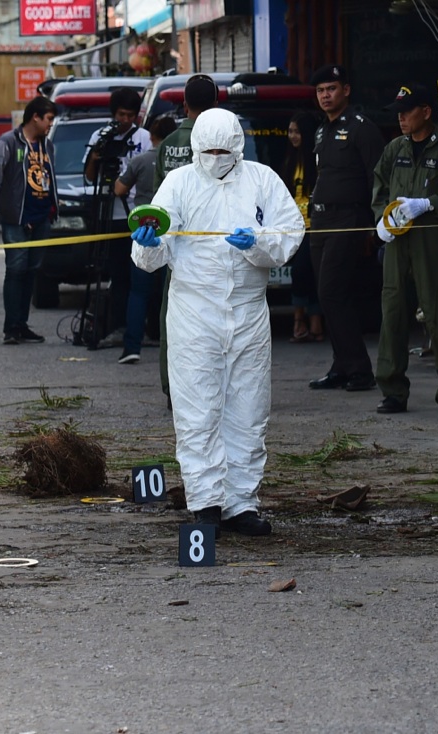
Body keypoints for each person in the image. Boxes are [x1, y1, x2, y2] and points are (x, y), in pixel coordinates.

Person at [130, 108, 305, 536]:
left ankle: (241, 503)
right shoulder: (179, 183)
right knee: (198, 408)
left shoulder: (262, 180)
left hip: (248, 310)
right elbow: (153, 254)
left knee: (248, 408)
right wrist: (148, 244)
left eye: (223, 150)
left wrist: (258, 243)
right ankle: (206, 501)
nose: (215, 157)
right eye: (207, 150)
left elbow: (291, 230)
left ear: (238, 147)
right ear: (194, 149)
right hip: (194, 312)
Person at [371, 83, 438, 415]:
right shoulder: (394, 149)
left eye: (407, 111)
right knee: (393, 312)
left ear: (426, 112)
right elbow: (380, 186)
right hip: (399, 242)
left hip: (434, 240)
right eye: (398, 112)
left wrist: (430, 203)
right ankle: (392, 390)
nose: (401, 118)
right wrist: (381, 220)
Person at [306, 65, 386, 393]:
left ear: (346, 90)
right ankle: (341, 365)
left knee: (332, 292)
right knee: (329, 296)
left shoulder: (361, 128)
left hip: (348, 220)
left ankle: (360, 369)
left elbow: (377, 177)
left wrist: (373, 224)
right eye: (321, 90)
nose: (326, 95)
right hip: (321, 221)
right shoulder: (321, 131)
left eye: (332, 89)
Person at [154, 75, 219, 400]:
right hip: (216, 247)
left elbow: (157, 200)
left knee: (175, 319)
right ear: (218, 105)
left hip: (175, 246)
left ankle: (172, 386)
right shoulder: (223, 143)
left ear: (184, 105)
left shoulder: (167, 144)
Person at [0, 96, 58, 346]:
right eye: (48, 119)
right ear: (35, 117)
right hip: (17, 220)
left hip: (41, 218)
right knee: (15, 271)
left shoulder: (47, 146)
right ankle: (11, 327)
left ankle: (22, 324)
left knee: (31, 272)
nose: (50, 124)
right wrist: (8, 211)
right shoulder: (7, 143)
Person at [82, 89, 152, 343]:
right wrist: (95, 157)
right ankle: (117, 326)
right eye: (121, 115)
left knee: (139, 273)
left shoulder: (144, 137)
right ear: (113, 114)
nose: (125, 120)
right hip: (110, 213)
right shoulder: (100, 136)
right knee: (117, 274)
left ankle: (140, 327)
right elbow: (89, 176)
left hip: (137, 211)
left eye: (130, 116)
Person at [114, 114, 178, 364]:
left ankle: (132, 346)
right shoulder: (182, 164)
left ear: (151, 135)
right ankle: (169, 343)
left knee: (138, 292)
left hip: (143, 230)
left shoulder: (140, 160)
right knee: (170, 292)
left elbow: (119, 189)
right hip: (173, 231)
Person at [280, 111, 324, 343]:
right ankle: (301, 318)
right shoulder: (289, 158)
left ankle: (313, 318)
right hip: (292, 227)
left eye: (297, 131)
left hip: (314, 226)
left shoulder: (316, 159)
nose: (293, 136)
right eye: (290, 131)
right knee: (299, 271)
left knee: (310, 271)